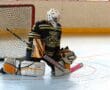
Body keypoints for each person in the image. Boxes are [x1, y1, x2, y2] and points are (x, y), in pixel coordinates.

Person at [26, 8, 62, 75]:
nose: (56, 20)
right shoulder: (39, 25)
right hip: (35, 52)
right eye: (55, 18)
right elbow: (31, 38)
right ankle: (10, 68)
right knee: (29, 69)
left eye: (57, 18)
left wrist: (57, 53)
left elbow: (57, 42)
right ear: (49, 17)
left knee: (58, 69)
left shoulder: (59, 27)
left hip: (48, 53)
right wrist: (39, 48)